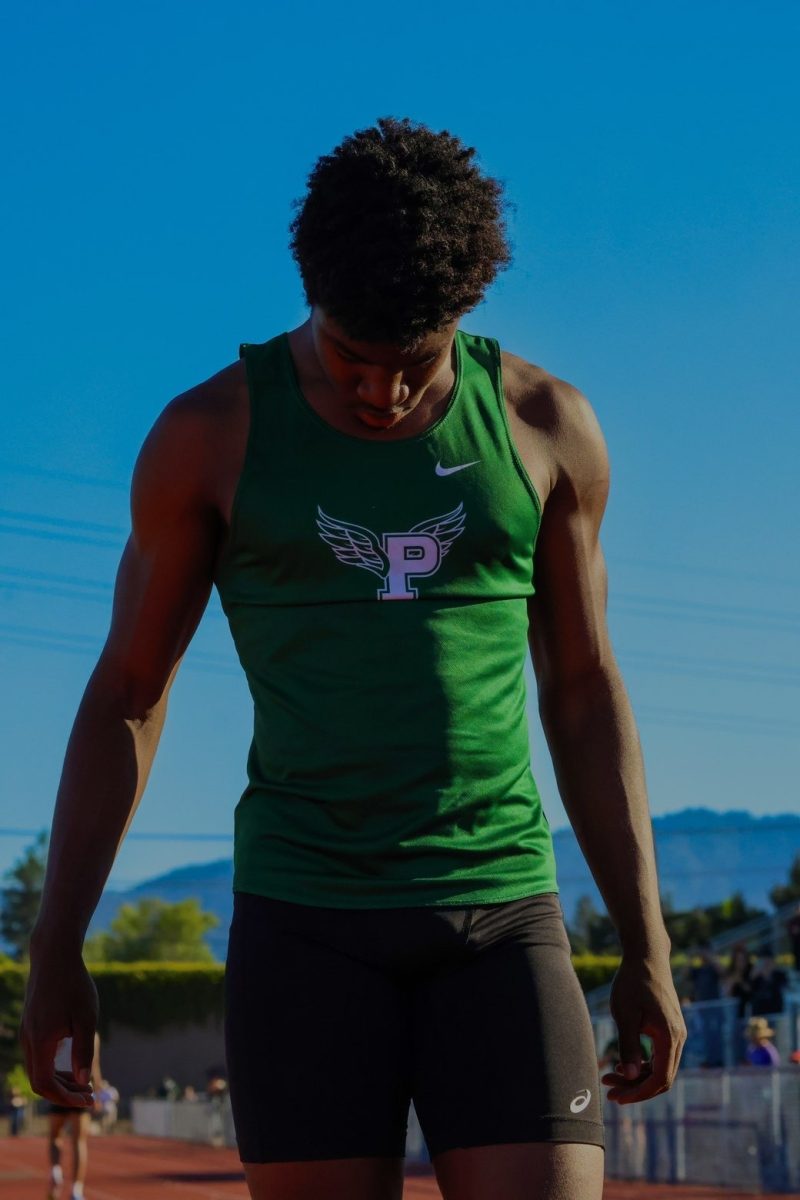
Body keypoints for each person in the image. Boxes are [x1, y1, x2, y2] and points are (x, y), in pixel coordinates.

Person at [19, 116, 686, 1200]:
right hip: (303, 923)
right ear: (307, 297)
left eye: (412, 368)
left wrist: (646, 946)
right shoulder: (211, 435)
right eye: (351, 361)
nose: (380, 396)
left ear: (462, 314)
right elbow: (128, 693)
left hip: (499, 913)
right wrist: (57, 942)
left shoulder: (544, 426)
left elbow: (581, 690)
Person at [45, 1031, 101, 1200]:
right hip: (80, 1087)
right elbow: (94, 1066)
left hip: (59, 1085)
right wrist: (97, 1092)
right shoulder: (91, 1034)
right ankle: (77, 1189)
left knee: (55, 1136)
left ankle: (55, 1169)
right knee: (79, 1141)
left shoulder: (57, 1031)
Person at [750, 949, 789, 1017]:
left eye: (769, 961)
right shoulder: (756, 977)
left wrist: (769, 975)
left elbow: (786, 987)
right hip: (759, 1013)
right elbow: (749, 992)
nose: (766, 964)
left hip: (776, 1012)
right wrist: (752, 977)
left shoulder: (780, 975)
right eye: (764, 962)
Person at [723, 943, 753, 1019]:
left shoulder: (751, 972)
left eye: (742, 960)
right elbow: (726, 993)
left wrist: (740, 981)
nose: (740, 963)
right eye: (738, 960)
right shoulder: (730, 973)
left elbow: (750, 990)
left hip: (748, 1011)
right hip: (734, 1012)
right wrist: (732, 981)